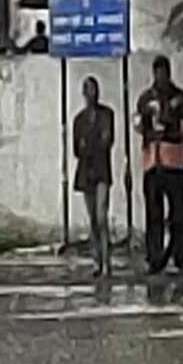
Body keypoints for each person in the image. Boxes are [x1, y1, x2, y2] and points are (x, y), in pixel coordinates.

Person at [134, 55, 183, 274]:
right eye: (157, 73)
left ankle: (180, 256)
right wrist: (147, 127)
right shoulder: (145, 98)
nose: (160, 77)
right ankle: (154, 257)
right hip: (152, 161)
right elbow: (137, 123)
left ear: (168, 73)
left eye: (163, 72)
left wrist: (171, 128)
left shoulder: (180, 98)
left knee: (178, 213)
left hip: (174, 162)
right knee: (153, 213)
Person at [73, 76, 114, 276]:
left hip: (101, 170)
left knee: (101, 215)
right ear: (84, 93)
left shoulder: (107, 115)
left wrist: (89, 145)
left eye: (95, 90)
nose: (92, 94)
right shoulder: (78, 120)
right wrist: (89, 145)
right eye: (89, 90)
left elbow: (106, 141)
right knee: (92, 220)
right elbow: (76, 148)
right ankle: (97, 260)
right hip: (85, 172)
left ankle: (106, 261)